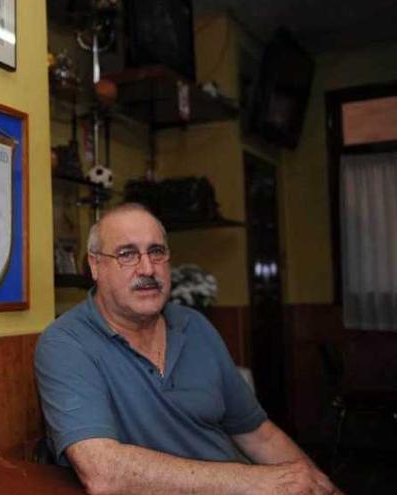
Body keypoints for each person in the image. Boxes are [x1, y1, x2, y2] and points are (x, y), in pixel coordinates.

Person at [34, 203, 341, 495]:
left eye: (156, 252)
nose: (148, 268)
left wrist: (320, 486)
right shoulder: (66, 343)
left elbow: (258, 433)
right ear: (95, 265)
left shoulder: (194, 326)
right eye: (127, 254)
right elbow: (103, 472)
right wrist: (255, 482)